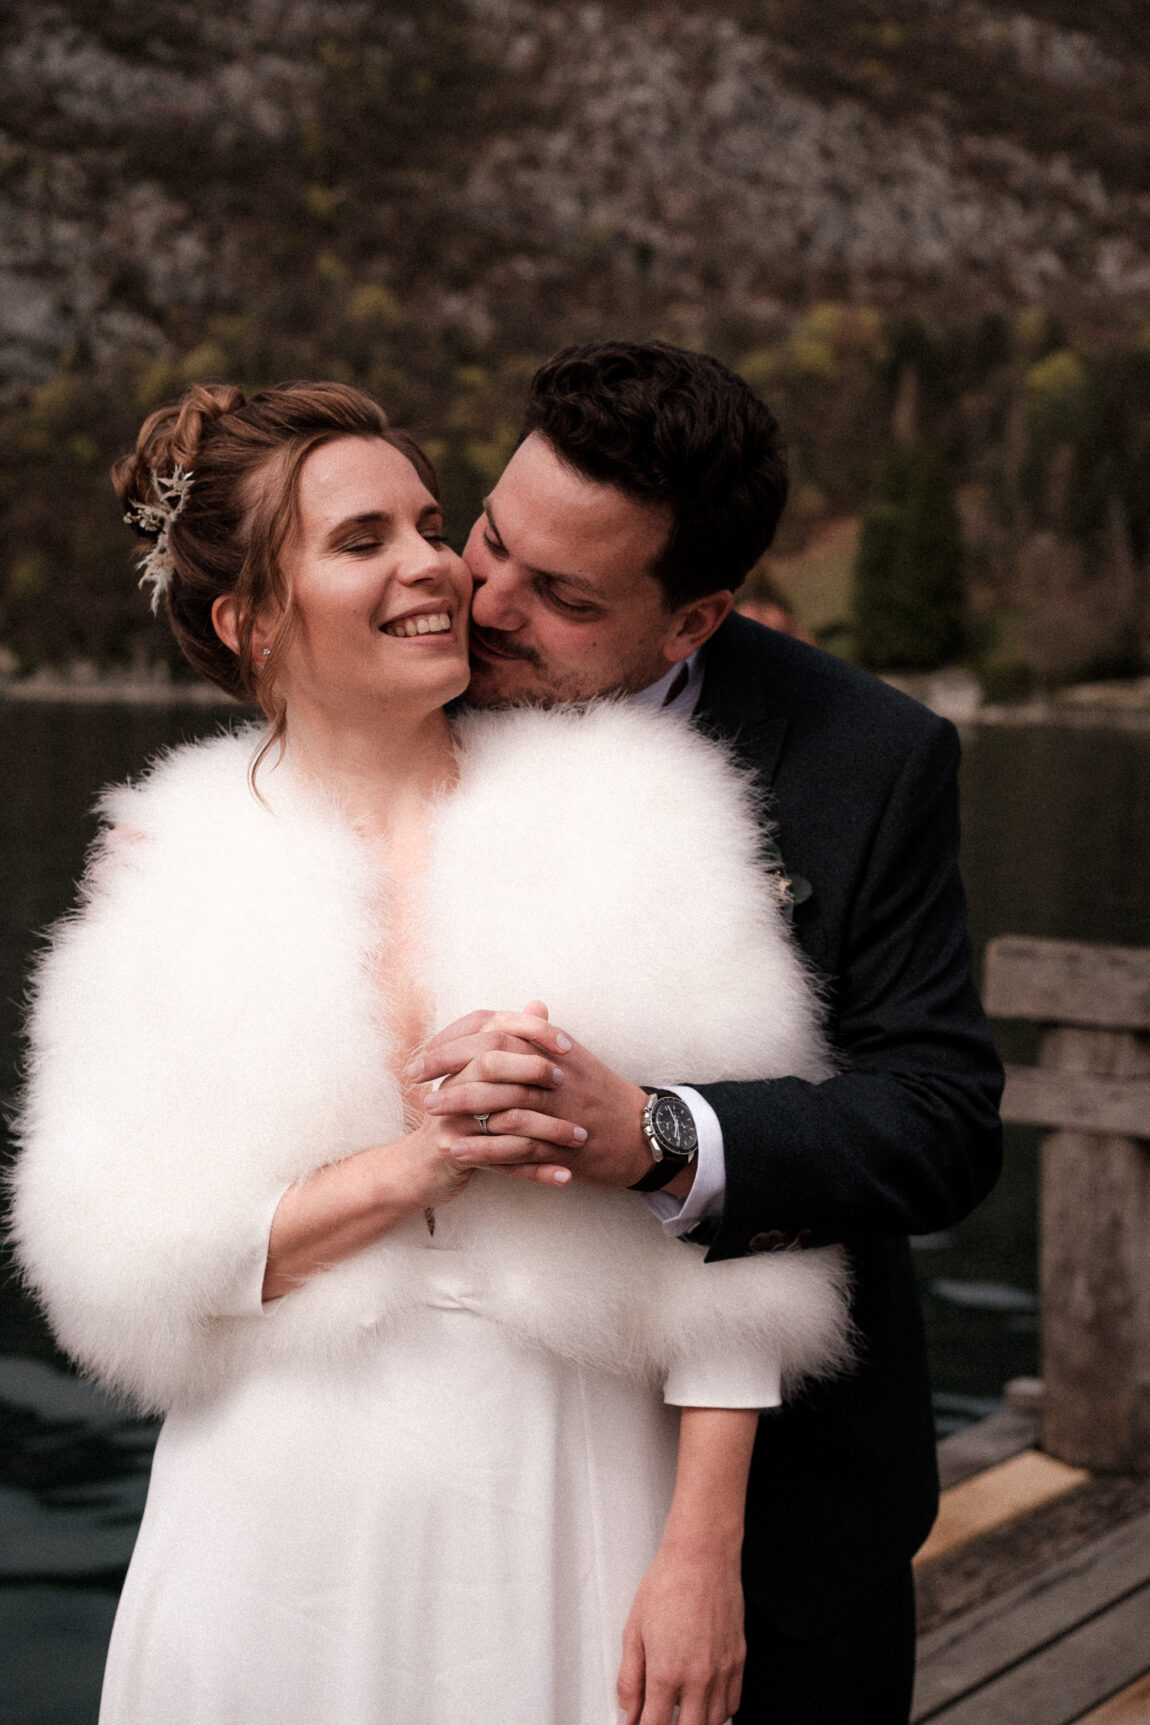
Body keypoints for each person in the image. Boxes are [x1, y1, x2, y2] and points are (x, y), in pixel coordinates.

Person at [11, 380, 854, 1725]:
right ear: (252, 621)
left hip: (569, 1493)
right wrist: (425, 1162)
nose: (432, 565)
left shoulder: (640, 819)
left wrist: (701, 1555)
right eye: (361, 541)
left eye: (427, 520)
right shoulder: (170, 867)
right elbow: (113, 1271)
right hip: (268, 1517)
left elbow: (752, 1257)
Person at [407, 341, 1005, 1723]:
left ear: (694, 621)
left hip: (776, 1512)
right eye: (490, 537)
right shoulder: (407, 675)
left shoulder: (866, 756)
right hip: (466, 1468)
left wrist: (661, 1133)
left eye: (560, 597)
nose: (483, 602)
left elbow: (939, 1118)